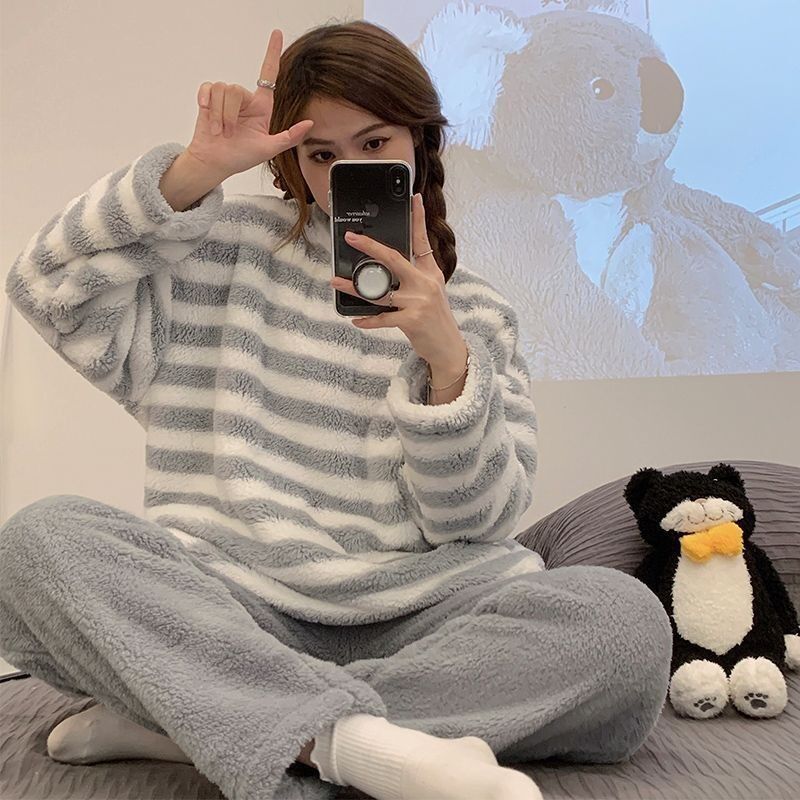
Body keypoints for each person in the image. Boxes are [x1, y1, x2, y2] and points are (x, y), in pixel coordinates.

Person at [0, 19, 672, 800]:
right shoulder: (217, 248)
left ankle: (204, 718)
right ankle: (351, 744)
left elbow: (474, 522)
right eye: (322, 154)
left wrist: (446, 360)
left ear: (420, 140)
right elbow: (48, 289)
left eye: (376, 142)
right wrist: (191, 173)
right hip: (237, 609)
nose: (351, 169)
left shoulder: (476, 313)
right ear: (294, 160)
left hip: (423, 618)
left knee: (624, 622)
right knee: (38, 540)